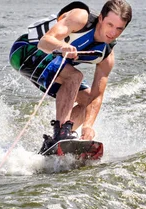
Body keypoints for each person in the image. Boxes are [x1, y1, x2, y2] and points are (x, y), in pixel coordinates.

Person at [9, 0, 132, 154]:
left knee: (87, 100)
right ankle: (61, 133)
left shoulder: (106, 56)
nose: (113, 32)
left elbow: (97, 95)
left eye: (119, 28)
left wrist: (88, 125)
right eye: (110, 25)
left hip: (53, 63)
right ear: (101, 18)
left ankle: (54, 144)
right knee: (75, 76)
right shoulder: (80, 17)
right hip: (26, 50)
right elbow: (44, 42)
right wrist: (61, 46)